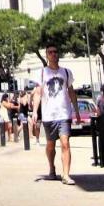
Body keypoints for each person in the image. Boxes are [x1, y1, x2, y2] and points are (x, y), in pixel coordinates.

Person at [31, 46, 81, 184]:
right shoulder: (42, 73)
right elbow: (38, 93)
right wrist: (35, 112)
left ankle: (65, 175)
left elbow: (71, 92)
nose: (53, 54)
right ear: (46, 55)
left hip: (64, 113)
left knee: (65, 143)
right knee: (50, 145)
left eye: (55, 52)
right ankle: (52, 168)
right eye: (50, 52)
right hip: (49, 115)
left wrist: (76, 111)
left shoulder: (66, 72)